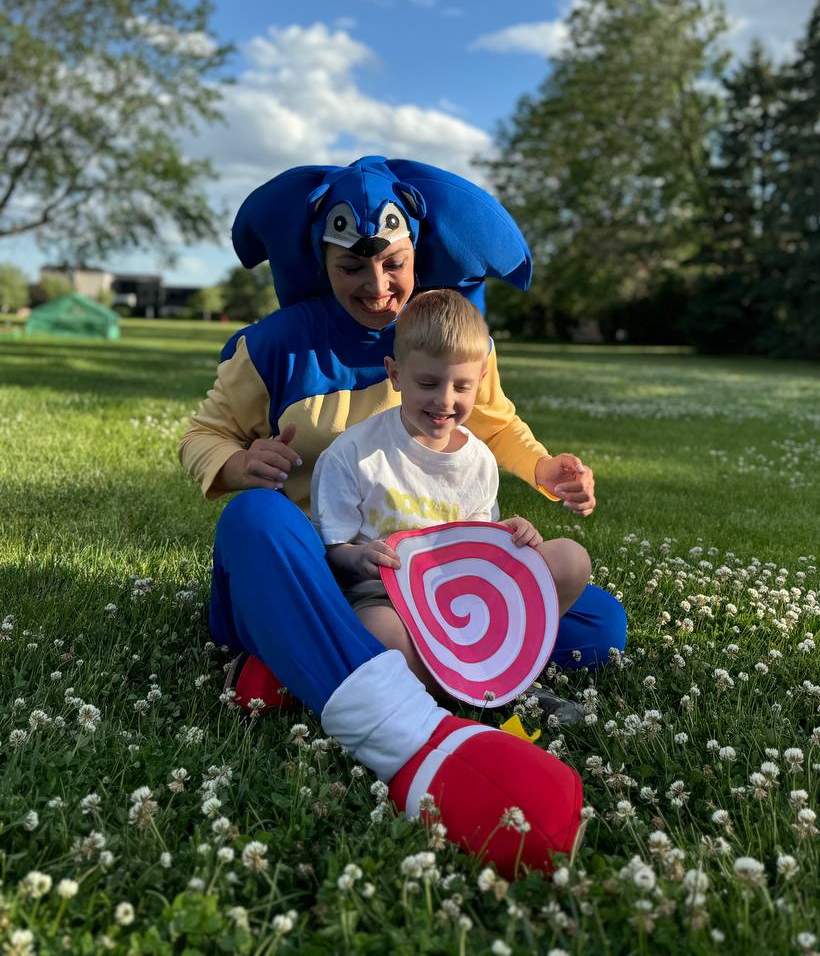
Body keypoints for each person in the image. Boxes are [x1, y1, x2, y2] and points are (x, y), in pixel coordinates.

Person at [179, 155, 627, 876]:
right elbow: (202, 434)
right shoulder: (273, 344)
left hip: (429, 580)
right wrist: (236, 464)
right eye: (352, 268)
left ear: (415, 250)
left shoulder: (448, 333)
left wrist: (544, 469)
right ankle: (413, 729)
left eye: (393, 263)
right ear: (320, 258)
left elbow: (494, 421)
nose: (378, 287)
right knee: (258, 519)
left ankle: (297, 661)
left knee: (599, 626)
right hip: (325, 565)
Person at [313, 288, 592, 692]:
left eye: (461, 386)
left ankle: (497, 670)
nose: (445, 401)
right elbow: (333, 549)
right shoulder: (354, 454)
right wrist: (358, 558)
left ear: (480, 379)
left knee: (570, 558)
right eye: (428, 382)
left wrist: (511, 538)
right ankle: (487, 685)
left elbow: (480, 548)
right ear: (395, 374)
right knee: (378, 633)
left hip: (466, 599)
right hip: (389, 600)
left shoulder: (477, 459)